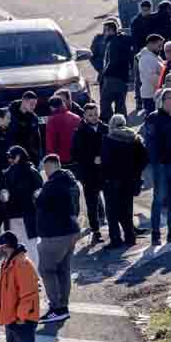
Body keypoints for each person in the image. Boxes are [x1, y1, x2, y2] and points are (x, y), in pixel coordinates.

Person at [35, 155, 80, 323]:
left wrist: (37, 194)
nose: (44, 172)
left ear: (48, 167)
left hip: (55, 234)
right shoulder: (70, 181)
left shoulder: (52, 184)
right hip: (71, 231)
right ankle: (63, 306)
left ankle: (56, 308)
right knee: (63, 270)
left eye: (44, 168)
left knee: (47, 270)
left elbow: (39, 202)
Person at [143, 88, 171, 245]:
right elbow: (150, 143)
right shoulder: (153, 118)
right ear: (165, 100)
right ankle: (155, 234)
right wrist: (158, 163)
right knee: (159, 199)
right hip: (162, 166)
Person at [100, 114, 148, 249]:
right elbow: (144, 158)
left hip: (112, 181)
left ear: (111, 125)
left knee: (112, 212)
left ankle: (116, 239)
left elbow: (105, 162)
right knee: (127, 210)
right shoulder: (135, 138)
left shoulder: (109, 140)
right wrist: (135, 172)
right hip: (130, 180)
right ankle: (130, 237)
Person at [70, 103, 108, 245]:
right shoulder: (79, 132)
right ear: (85, 116)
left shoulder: (105, 128)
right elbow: (75, 154)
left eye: (96, 114)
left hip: (106, 172)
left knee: (112, 201)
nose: (94, 117)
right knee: (92, 204)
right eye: (91, 115)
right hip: (89, 174)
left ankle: (116, 229)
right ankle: (96, 231)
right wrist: (92, 159)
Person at [2, 145, 42, 269]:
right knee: (16, 249)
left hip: (28, 217)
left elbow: (39, 193)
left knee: (31, 247)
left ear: (19, 156)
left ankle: (34, 274)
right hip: (14, 217)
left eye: (11, 156)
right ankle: (20, 275)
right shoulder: (8, 173)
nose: (9, 159)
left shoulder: (31, 172)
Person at [100, 19, 135, 121]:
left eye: (105, 30)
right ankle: (121, 124)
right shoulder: (124, 40)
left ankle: (109, 124)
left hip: (112, 78)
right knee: (120, 104)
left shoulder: (113, 42)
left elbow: (112, 61)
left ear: (111, 30)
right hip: (123, 78)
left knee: (105, 103)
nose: (104, 33)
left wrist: (104, 74)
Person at [44, 96, 81, 163]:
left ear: (51, 107)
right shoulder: (76, 118)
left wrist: (50, 160)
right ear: (63, 104)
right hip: (76, 158)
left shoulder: (52, 120)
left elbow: (50, 142)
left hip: (60, 159)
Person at [7, 92, 42, 162]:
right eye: (31, 104)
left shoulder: (34, 118)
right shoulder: (10, 114)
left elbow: (37, 138)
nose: (33, 107)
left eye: (35, 104)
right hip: (13, 155)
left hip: (29, 156)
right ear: (24, 101)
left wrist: (38, 155)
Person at [136, 34, 166, 114]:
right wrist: (166, 84)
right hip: (150, 95)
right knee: (152, 118)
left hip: (155, 94)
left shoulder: (154, 56)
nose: (161, 48)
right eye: (159, 46)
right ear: (150, 44)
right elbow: (152, 77)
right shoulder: (146, 58)